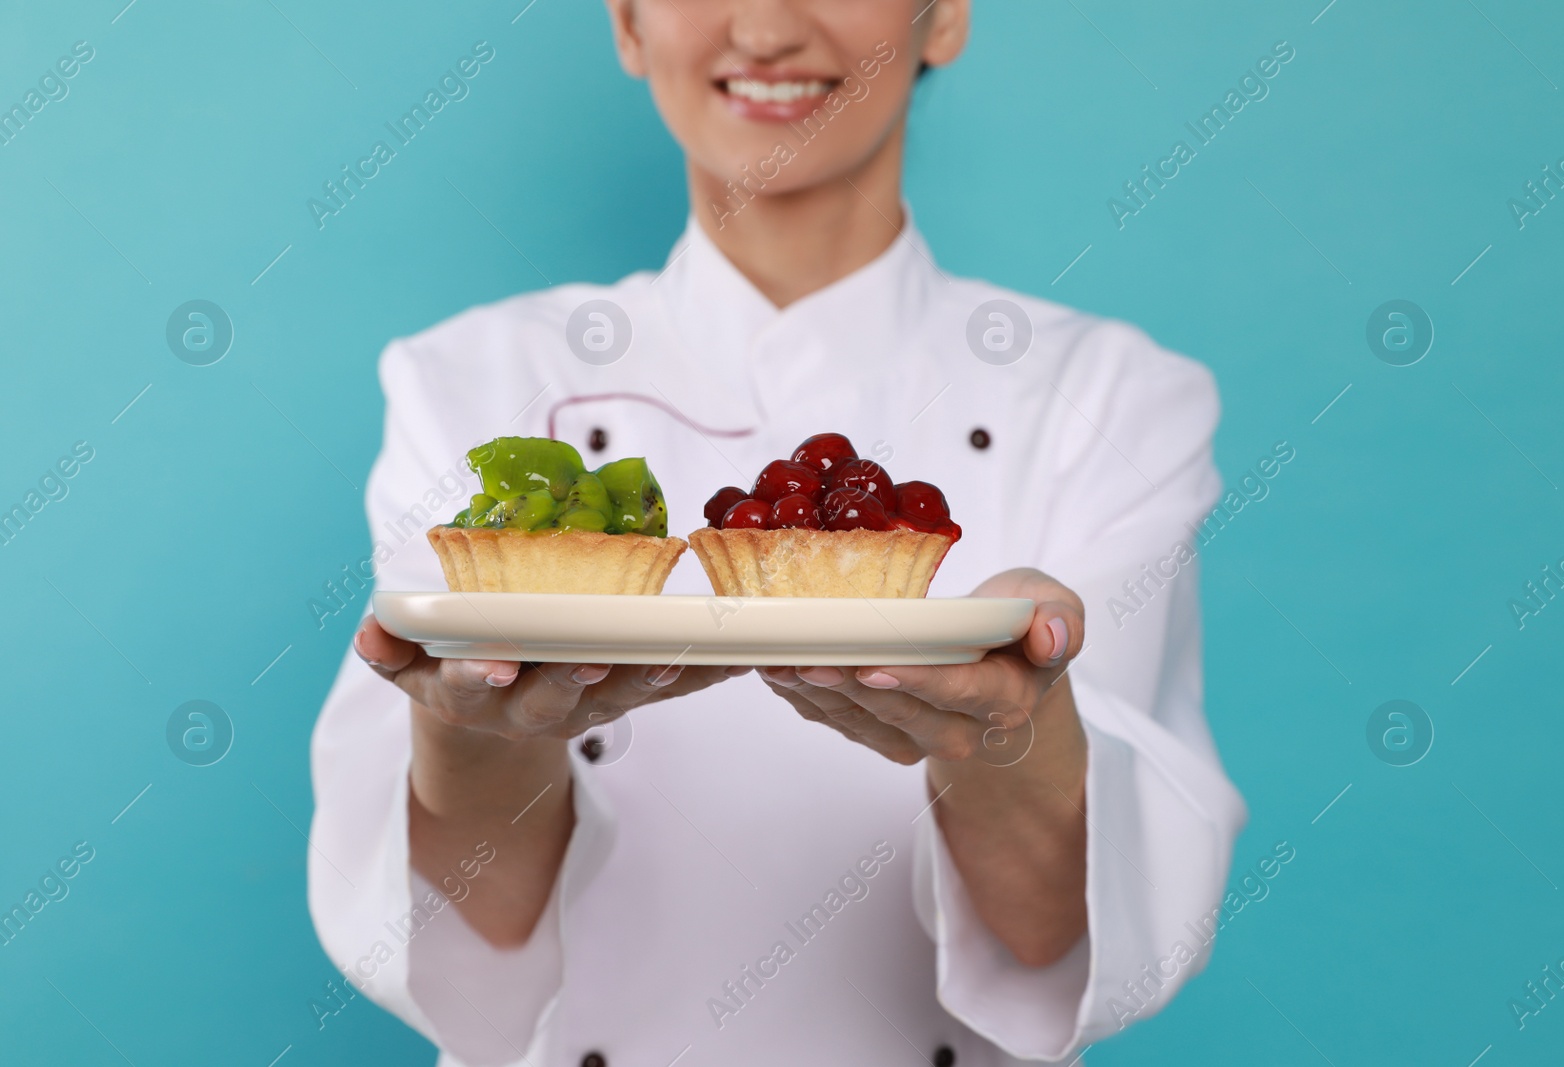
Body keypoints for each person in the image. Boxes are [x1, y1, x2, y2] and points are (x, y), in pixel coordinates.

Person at [309, 1, 1246, 1064]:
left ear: (944, 17)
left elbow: (1063, 941)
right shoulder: (466, 380)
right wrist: (473, 732)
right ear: (626, 23)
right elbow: (452, 950)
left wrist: (1008, 740)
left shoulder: (1113, 399)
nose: (761, 26)